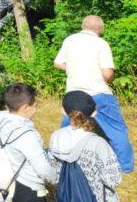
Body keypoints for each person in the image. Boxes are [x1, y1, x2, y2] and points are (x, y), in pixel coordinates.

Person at [49, 91, 126, 202]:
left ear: (63, 111)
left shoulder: (56, 137)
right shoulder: (98, 143)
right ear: (94, 113)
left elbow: (53, 174)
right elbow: (113, 179)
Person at [54, 15, 133, 173]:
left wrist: (74, 70)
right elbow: (108, 73)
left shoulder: (69, 40)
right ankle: (125, 167)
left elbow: (57, 63)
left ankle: (60, 161)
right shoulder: (101, 43)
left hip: (74, 95)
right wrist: (101, 76)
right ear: (100, 28)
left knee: (68, 128)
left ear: (83, 26)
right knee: (116, 130)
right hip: (98, 93)